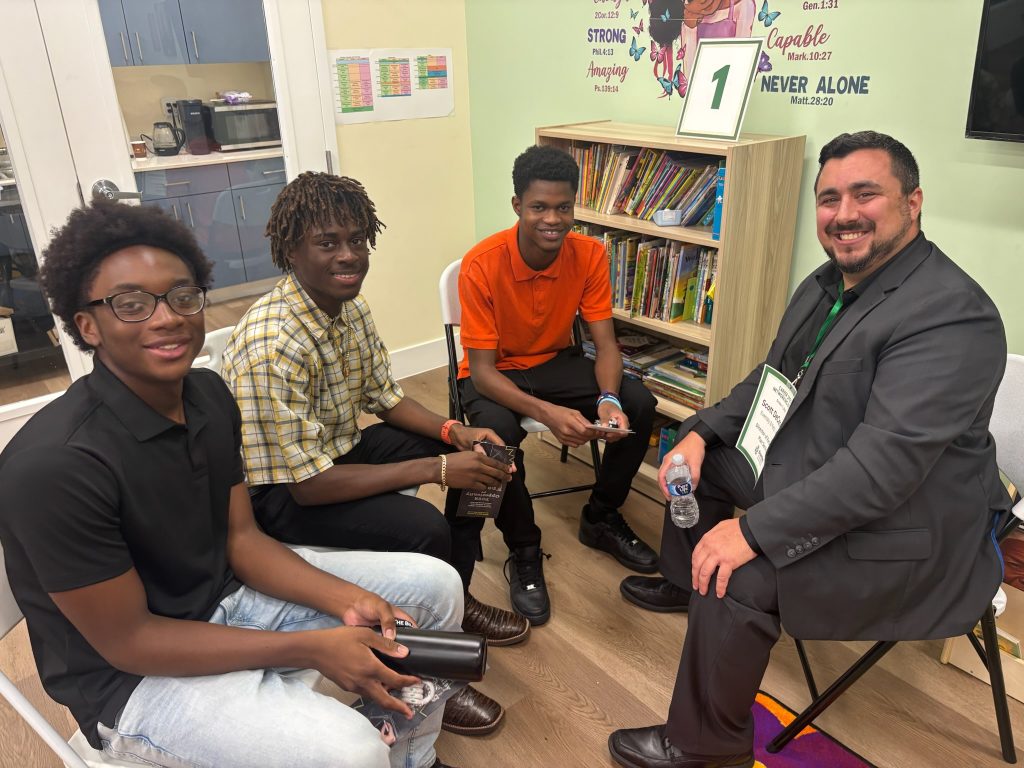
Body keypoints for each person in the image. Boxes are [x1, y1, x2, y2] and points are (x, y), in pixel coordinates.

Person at [0, 200, 463, 768]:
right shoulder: (53, 468)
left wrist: (344, 598)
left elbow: (242, 540)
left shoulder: (207, 395)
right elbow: (131, 642)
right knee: (351, 751)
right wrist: (311, 647)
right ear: (87, 325)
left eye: (182, 295)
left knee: (435, 587)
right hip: (134, 679)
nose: (167, 318)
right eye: (132, 304)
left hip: (227, 596)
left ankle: (414, 758)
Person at [609, 131, 1012, 768]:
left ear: (913, 203)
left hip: (905, 527)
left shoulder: (952, 316)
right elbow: (771, 379)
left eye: (865, 194)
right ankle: (687, 582)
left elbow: (881, 472)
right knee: (696, 470)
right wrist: (700, 432)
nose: (844, 214)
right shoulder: (827, 283)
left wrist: (752, 533)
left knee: (741, 575)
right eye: (829, 199)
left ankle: (704, 748)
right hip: (823, 471)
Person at [221, 172, 526, 737]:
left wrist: (454, 432)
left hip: (336, 449)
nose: (349, 256)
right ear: (291, 251)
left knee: (485, 452)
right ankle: (426, 672)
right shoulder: (273, 343)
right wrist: (437, 468)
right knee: (423, 527)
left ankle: (453, 600)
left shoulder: (349, 307)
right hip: (281, 495)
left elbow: (383, 397)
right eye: (328, 243)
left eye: (357, 240)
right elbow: (307, 487)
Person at [455, 145, 658, 626]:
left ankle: (601, 517)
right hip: (494, 373)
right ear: (517, 205)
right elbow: (482, 373)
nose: (553, 219)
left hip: (553, 362)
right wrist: (548, 413)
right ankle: (524, 549)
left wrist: (608, 399)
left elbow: (605, 345)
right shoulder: (481, 264)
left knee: (640, 402)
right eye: (539, 207)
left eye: (563, 207)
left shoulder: (589, 254)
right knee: (499, 441)